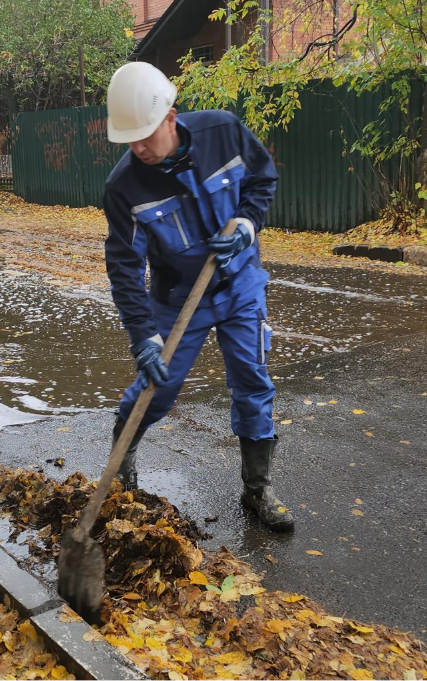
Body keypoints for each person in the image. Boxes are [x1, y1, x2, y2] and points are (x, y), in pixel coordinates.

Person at [102, 61, 294, 532]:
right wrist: (143, 334)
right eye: (129, 139)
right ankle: (122, 459)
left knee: (252, 381)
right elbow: (125, 265)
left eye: (145, 135)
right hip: (176, 298)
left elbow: (262, 179)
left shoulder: (222, 132)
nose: (138, 148)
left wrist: (247, 224)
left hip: (240, 284)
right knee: (158, 387)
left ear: (170, 117)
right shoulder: (125, 187)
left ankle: (257, 488)